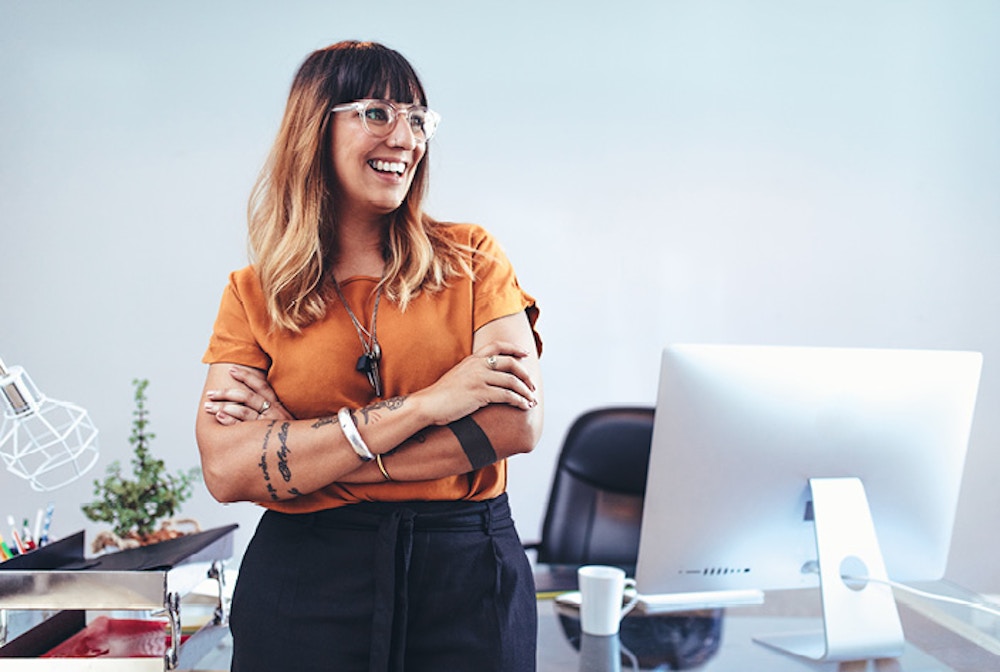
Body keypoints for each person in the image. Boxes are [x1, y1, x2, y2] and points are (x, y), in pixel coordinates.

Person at [195, 40, 543, 672]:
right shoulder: (253, 294)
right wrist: (427, 407)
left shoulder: (471, 258)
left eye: (417, 118)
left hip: (466, 578)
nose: (406, 137)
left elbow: (513, 423)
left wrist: (306, 455)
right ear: (315, 127)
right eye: (378, 113)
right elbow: (226, 471)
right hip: (303, 582)